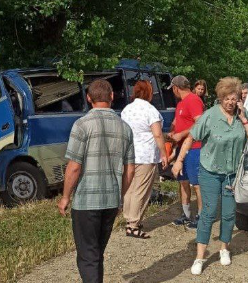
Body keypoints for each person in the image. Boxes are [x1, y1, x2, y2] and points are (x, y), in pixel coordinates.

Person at [172, 77, 248, 276]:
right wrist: (178, 161)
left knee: (229, 214)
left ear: (239, 99)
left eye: (234, 99)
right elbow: (191, 137)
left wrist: (244, 117)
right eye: (227, 98)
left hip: (232, 175)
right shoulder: (210, 116)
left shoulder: (242, 116)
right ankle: (199, 256)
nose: (230, 102)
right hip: (210, 172)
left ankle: (224, 248)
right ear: (220, 98)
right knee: (209, 212)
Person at [58, 79, 135, 283]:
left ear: (88, 98)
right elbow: (130, 169)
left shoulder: (82, 125)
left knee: (87, 256)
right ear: (112, 97)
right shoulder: (125, 128)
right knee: (97, 253)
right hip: (111, 200)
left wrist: (65, 197)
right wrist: (120, 196)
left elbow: (74, 166)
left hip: (86, 201)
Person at [121, 80, 169, 239]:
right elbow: (157, 134)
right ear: (149, 93)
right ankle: (133, 225)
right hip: (146, 155)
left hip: (128, 154)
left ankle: (128, 218)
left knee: (129, 187)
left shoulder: (126, 110)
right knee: (141, 190)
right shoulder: (150, 110)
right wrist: (164, 153)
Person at [167, 76, 205, 229]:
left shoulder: (193, 100)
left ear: (176, 88)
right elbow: (177, 124)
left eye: (173, 90)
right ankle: (186, 213)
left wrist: (181, 134)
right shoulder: (181, 103)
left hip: (195, 147)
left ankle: (201, 216)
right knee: (183, 181)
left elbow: (200, 123)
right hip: (182, 148)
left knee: (197, 183)